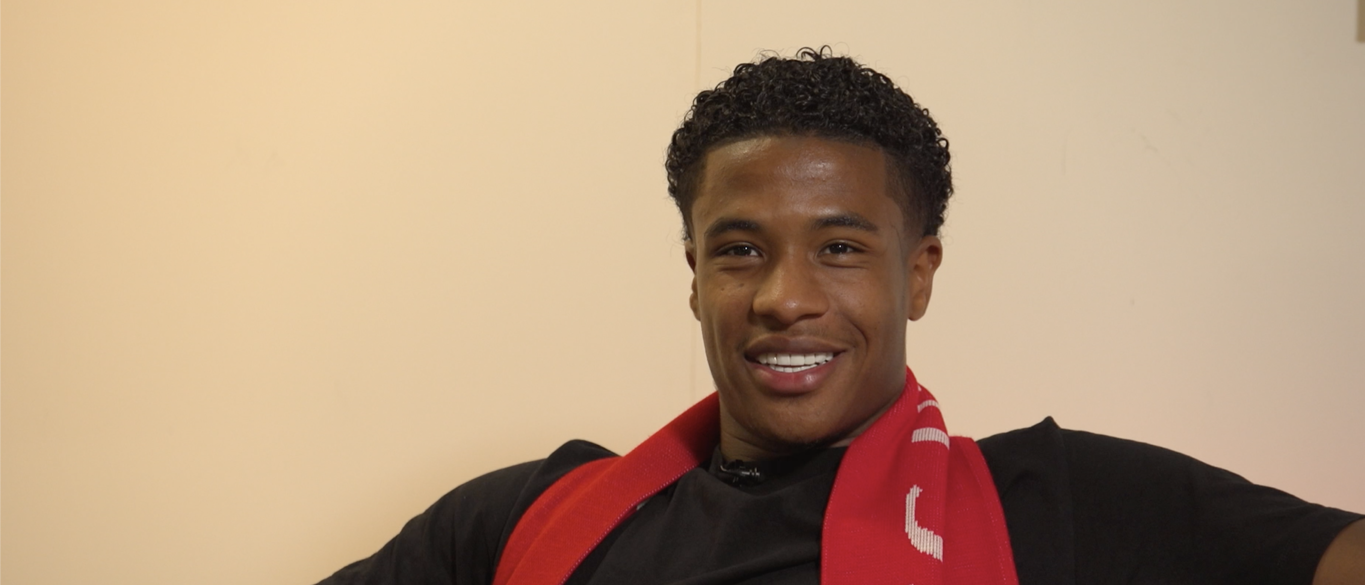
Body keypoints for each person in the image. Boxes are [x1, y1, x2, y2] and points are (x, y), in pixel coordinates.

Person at [316, 48, 1364, 585]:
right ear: (694, 277)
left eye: (840, 248)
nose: (784, 296)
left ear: (919, 274)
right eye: (740, 250)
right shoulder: (522, 519)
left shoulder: (1060, 504)